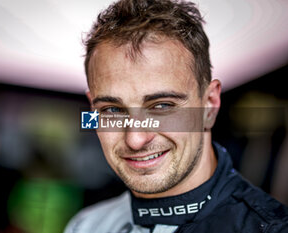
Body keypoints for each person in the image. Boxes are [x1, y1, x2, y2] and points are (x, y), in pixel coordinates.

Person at [65, 0, 288, 232]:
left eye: (162, 106)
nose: (135, 139)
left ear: (210, 106)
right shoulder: (86, 225)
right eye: (112, 109)